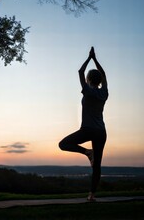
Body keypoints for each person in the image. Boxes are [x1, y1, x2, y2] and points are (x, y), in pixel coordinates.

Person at [59, 46, 108, 202]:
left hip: (87, 130)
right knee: (97, 165)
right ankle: (91, 195)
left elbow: (80, 72)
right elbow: (104, 74)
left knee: (63, 144)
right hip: (101, 132)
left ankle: (87, 152)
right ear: (100, 80)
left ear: (88, 79)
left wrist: (89, 58)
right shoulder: (104, 92)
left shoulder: (87, 90)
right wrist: (95, 59)